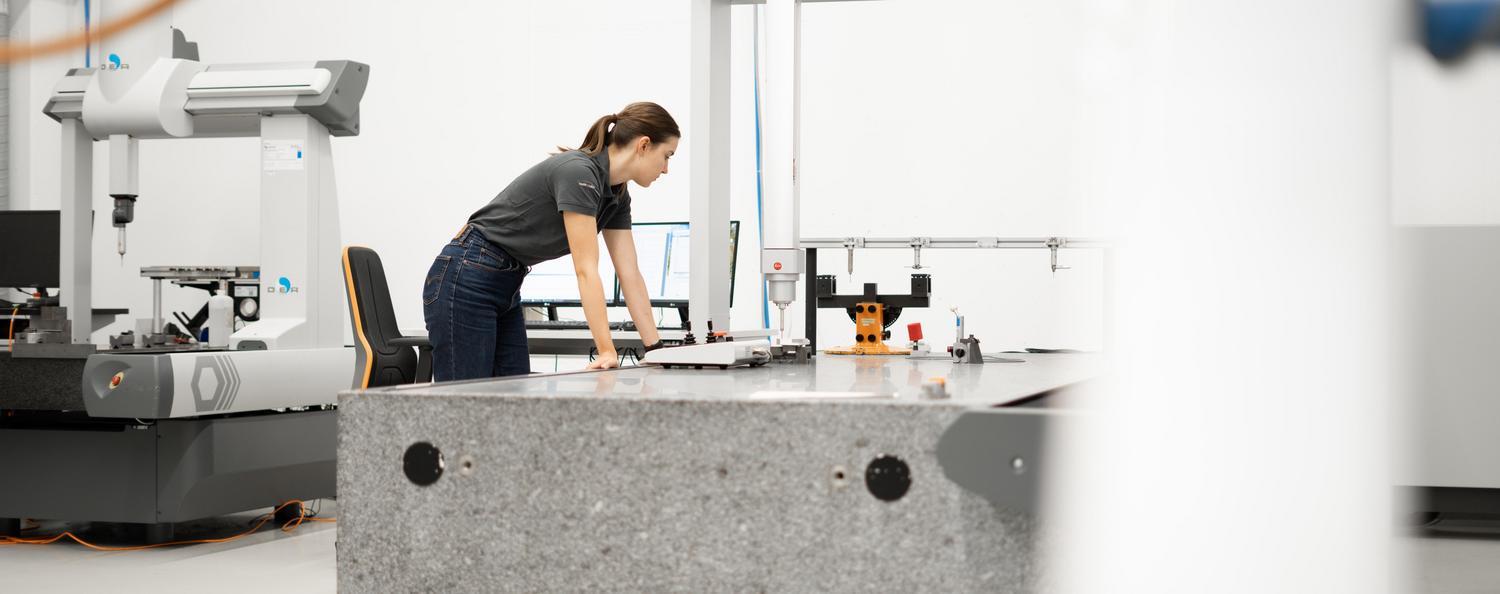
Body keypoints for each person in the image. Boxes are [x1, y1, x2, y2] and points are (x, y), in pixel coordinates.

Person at [422, 102, 677, 381]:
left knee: (513, 401)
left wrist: (655, 350)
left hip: (504, 281)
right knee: (464, 404)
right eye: (666, 156)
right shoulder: (579, 173)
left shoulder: (617, 195)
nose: (665, 169)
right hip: (467, 274)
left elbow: (630, 274)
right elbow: (586, 270)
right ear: (643, 145)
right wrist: (606, 350)